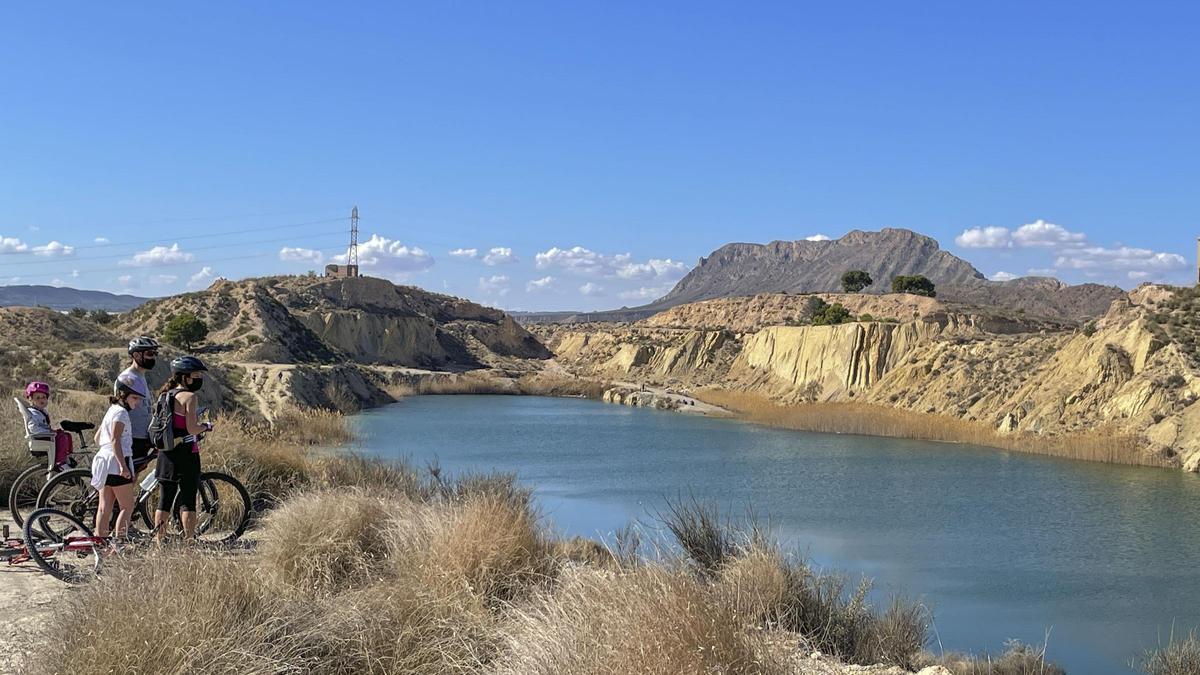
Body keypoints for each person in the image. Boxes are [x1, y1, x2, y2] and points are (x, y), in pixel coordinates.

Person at [154, 356, 212, 542]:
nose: (199, 378)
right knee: (188, 501)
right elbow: (191, 428)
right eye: (196, 374)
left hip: (166, 454)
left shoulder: (164, 395)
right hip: (186, 454)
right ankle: (188, 543)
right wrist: (206, 426)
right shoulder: (190, 397)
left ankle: (158, 544)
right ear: (185, 377)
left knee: (164, 501)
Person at [90, 373, 148, 541]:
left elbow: (97, 438)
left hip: (103, 462)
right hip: (116, 463)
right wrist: (123, 466)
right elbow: (115, 439)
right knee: (127, 507)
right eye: (134, 397)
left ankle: (99, 543)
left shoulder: (111, 410)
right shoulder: (122, 413)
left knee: (104, 507)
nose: (136, 402)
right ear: (123, 395)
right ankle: (118, 544)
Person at [119, 336, 160, 470]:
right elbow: (120, 410)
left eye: (155, 353)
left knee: (134, 477)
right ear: (136, 355)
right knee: (127, 480)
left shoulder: (140, 376)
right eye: (149, 354)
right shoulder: (128, 378)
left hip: (142, 436)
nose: (153, 357)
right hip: (132, 438)